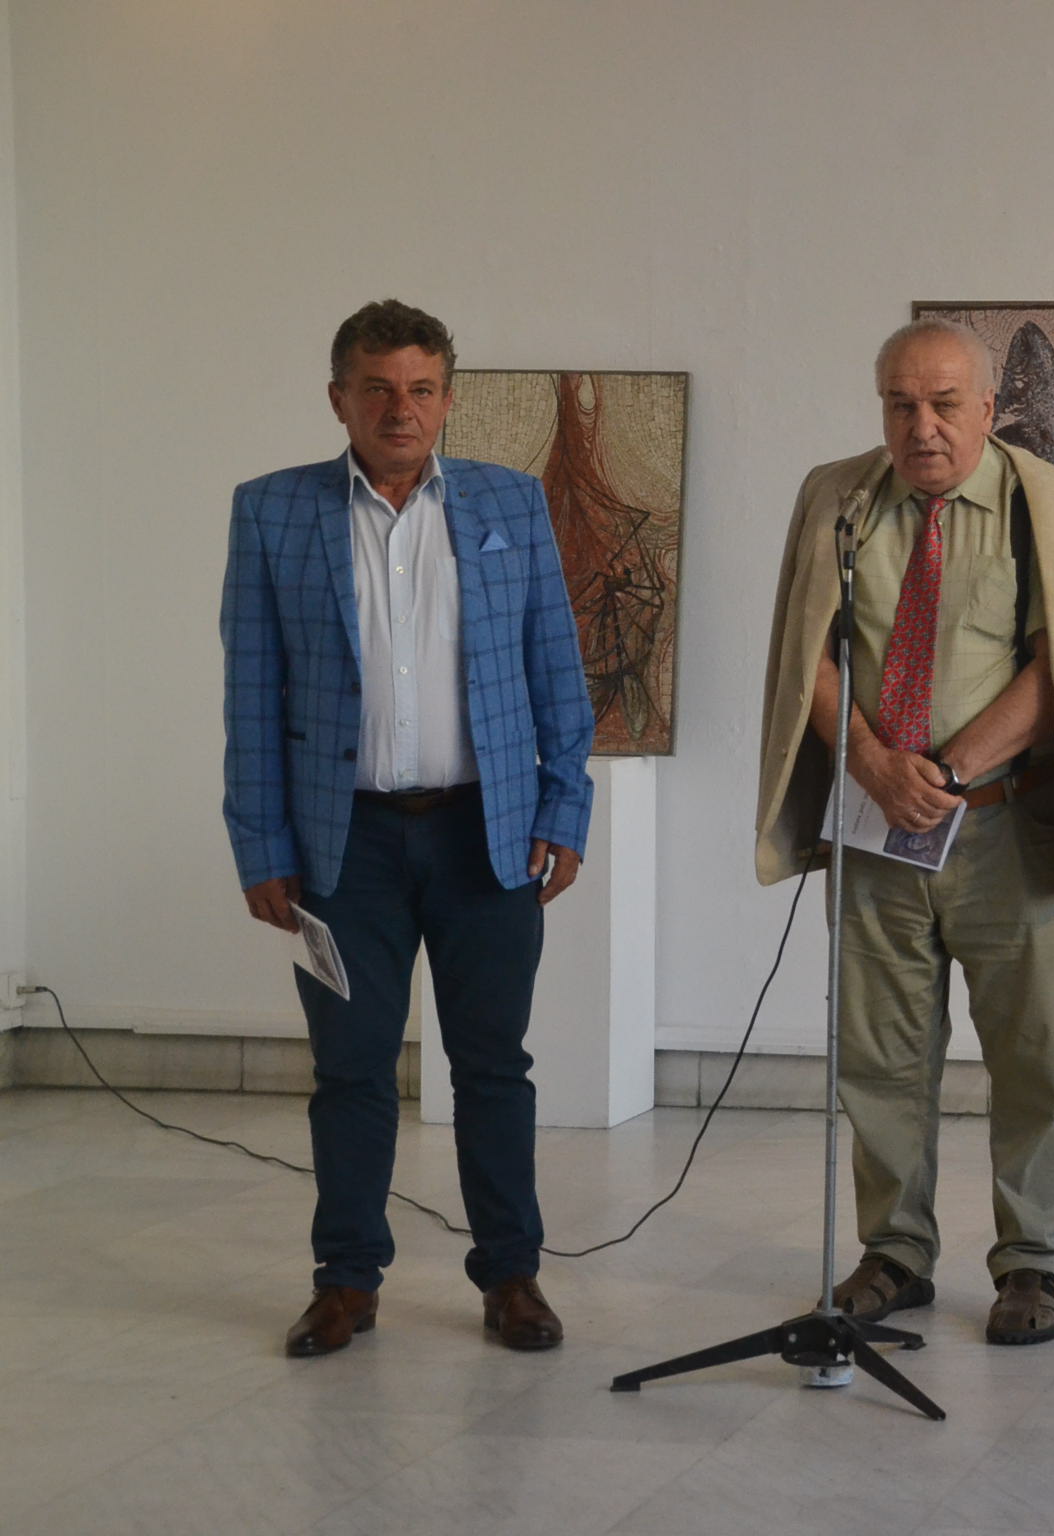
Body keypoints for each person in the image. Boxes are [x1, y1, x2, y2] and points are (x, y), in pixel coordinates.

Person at [221, 300, 595, 1358]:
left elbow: (557, 673)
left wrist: (565, 808)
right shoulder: (272, 511)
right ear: (337, 398)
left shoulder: (511, 502)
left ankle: (511, 1277)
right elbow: (251, 693)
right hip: (343, 850)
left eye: (421, 389)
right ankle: (346, 1282)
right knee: (350, 1069)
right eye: (378, 389)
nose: (401, 409)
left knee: (493, 1068)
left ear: (447, 398)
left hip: (487, 837)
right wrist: (260, 845)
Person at [753, 318, 1054, 1345]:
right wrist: (876, 765)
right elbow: (805, 653)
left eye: (944, 404)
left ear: (989, 407)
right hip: (876, 827)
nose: (921, 427)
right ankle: (895, 1254)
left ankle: (1031, 1262)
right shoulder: (836, 500)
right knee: (878, 1054)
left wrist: (952, 770)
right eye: (901, 404)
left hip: (1011, 830)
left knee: (1034, 1057)